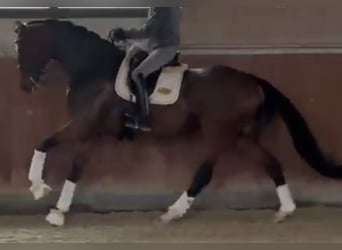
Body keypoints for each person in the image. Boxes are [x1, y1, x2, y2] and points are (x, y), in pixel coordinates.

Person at [110, 7, 181, 132]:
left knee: (137, 74)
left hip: (165, 48)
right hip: (155, 44)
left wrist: (124, 33)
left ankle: (143, 118)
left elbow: (148, 31)